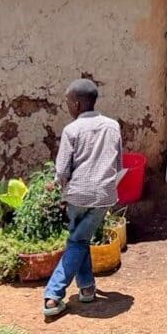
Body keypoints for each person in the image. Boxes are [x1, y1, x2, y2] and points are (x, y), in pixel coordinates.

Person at [43, 78, 122, 318]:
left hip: (78, 195)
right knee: (81, 239)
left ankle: (53, 295)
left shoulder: (72, 129)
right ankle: (87, 289)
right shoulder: (112, 126)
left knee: (76, 242)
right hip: (104, 195)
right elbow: (118, 164)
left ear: (77, 103)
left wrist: (55, 185)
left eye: (68, 101)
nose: (67, 105)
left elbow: (62, 170)